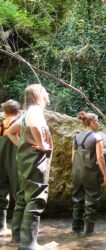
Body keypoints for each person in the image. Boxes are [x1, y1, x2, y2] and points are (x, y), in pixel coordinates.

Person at [7, 84, 53, 249]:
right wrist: (41, 144)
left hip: (25, 159)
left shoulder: (27, 112)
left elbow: (10, 131)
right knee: (36, 198)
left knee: (22, 196)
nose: (47, 93)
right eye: (45, 91)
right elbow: (34, 125)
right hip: (35, 160)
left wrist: (21, 145)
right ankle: (29, 244)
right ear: (39, 95)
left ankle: (17, 238)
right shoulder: (35, 111)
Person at [71, 111, 106, 235]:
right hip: (91, 174)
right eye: (97, 121)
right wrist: (105, 175)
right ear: (92, 122)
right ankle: (89, 233)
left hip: (76, 173)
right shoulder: (97, 137)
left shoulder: (75, 137)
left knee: (77, 201)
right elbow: (100, 158)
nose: (98, 124)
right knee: (91, 202)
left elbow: (72, 159)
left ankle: (76, 230)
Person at [0, 100, 20, 234]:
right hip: (16, 162)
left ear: (4, 111)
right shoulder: (19, 124)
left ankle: (2, 227)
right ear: (18, 111)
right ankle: (18, 230)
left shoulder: (1, 124)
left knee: (1, 192)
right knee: (19, 192)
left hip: (0, 161)